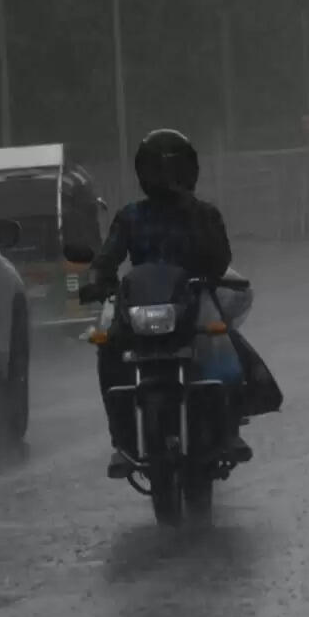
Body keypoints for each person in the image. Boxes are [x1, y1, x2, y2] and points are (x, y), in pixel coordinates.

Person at [78, 129, 252, 477]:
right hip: (142, 304)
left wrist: (199, 241)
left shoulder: (205, 214)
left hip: (193, 297)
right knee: (107, 347)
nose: (165, 178)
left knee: (222, 347)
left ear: (189, 171)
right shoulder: (130, 217)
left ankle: (229, 430)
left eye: (172, 169)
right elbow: (107, 257)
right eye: (157, 170)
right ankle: (123, 445)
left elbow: (219, 260)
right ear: (143, 173)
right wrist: (98, 279)